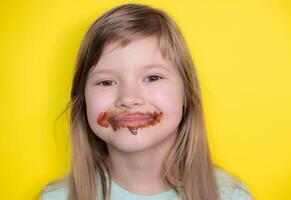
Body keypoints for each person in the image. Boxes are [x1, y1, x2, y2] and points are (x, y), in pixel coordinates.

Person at [41, 3, 253, 200]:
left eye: (152, 78)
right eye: (106, 82)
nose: (129, 98)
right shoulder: (55, 197)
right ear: (82, 100)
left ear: (186, 93)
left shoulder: (230, 195)